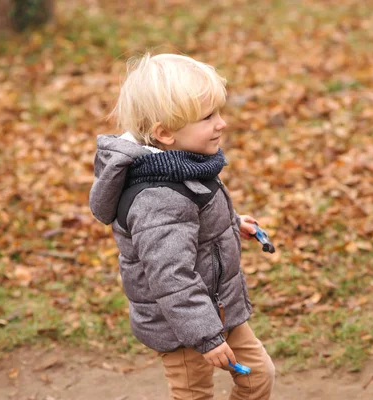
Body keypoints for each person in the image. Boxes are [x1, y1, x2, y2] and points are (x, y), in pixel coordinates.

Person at [89, 53, 275, 400]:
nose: (222, 124)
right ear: (165, 133)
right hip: (181, 325)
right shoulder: (158, 198)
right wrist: (205, 336)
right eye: (208, 117)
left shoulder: (182, 168)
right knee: (194, 394)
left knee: (258, 377)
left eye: (219, 112)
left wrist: (233, 224)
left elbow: (191, 225)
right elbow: (170, 275)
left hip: (218, 306)